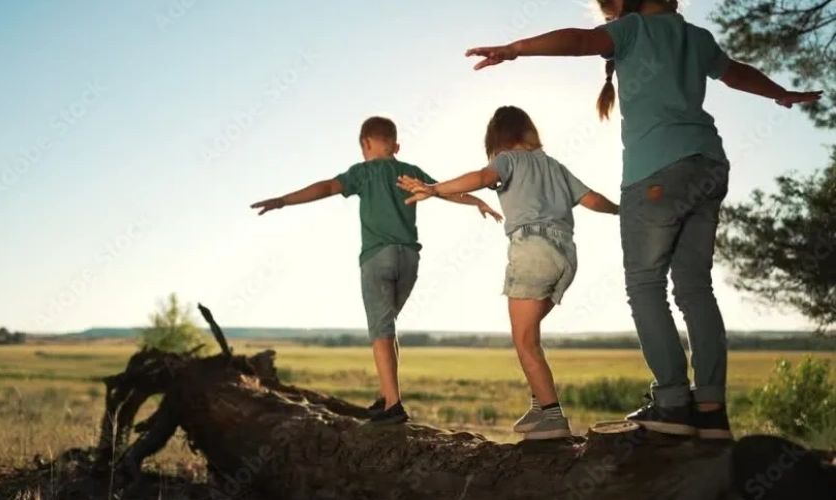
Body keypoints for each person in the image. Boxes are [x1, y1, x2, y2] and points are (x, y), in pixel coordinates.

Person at [461, 0, 823, 438]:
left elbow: (578, 41)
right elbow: (735, 73)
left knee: (646, 285)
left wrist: (515, 48)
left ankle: (673, 403)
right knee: (695, 288)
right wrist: (780, 93)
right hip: (709, 165)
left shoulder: (632, 29)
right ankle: (711, 410)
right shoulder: (696, 37)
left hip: (656, 173)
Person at [251, 116, 501, 424]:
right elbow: (442, 191)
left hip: (377, 257)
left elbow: (327, 187)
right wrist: (477, 201)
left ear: (366, 144)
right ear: (396, 146)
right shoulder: (409, 171)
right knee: (388, 326)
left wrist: (283, 201)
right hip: (409, 258)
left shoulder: (363, 172)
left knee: (380, 330)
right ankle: (386, 395)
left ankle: (393, 405)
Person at [398, 106, 619, 439]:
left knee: (524, 340)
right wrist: (620, 210)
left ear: (497, 138)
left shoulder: (508, 160)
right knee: (531, 335)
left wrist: (434, 188)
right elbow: (591, 200)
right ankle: (539, 405)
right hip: (566, 256)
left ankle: (553, 417)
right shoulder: (555, 166)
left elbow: (481, 178)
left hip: (532, 251)